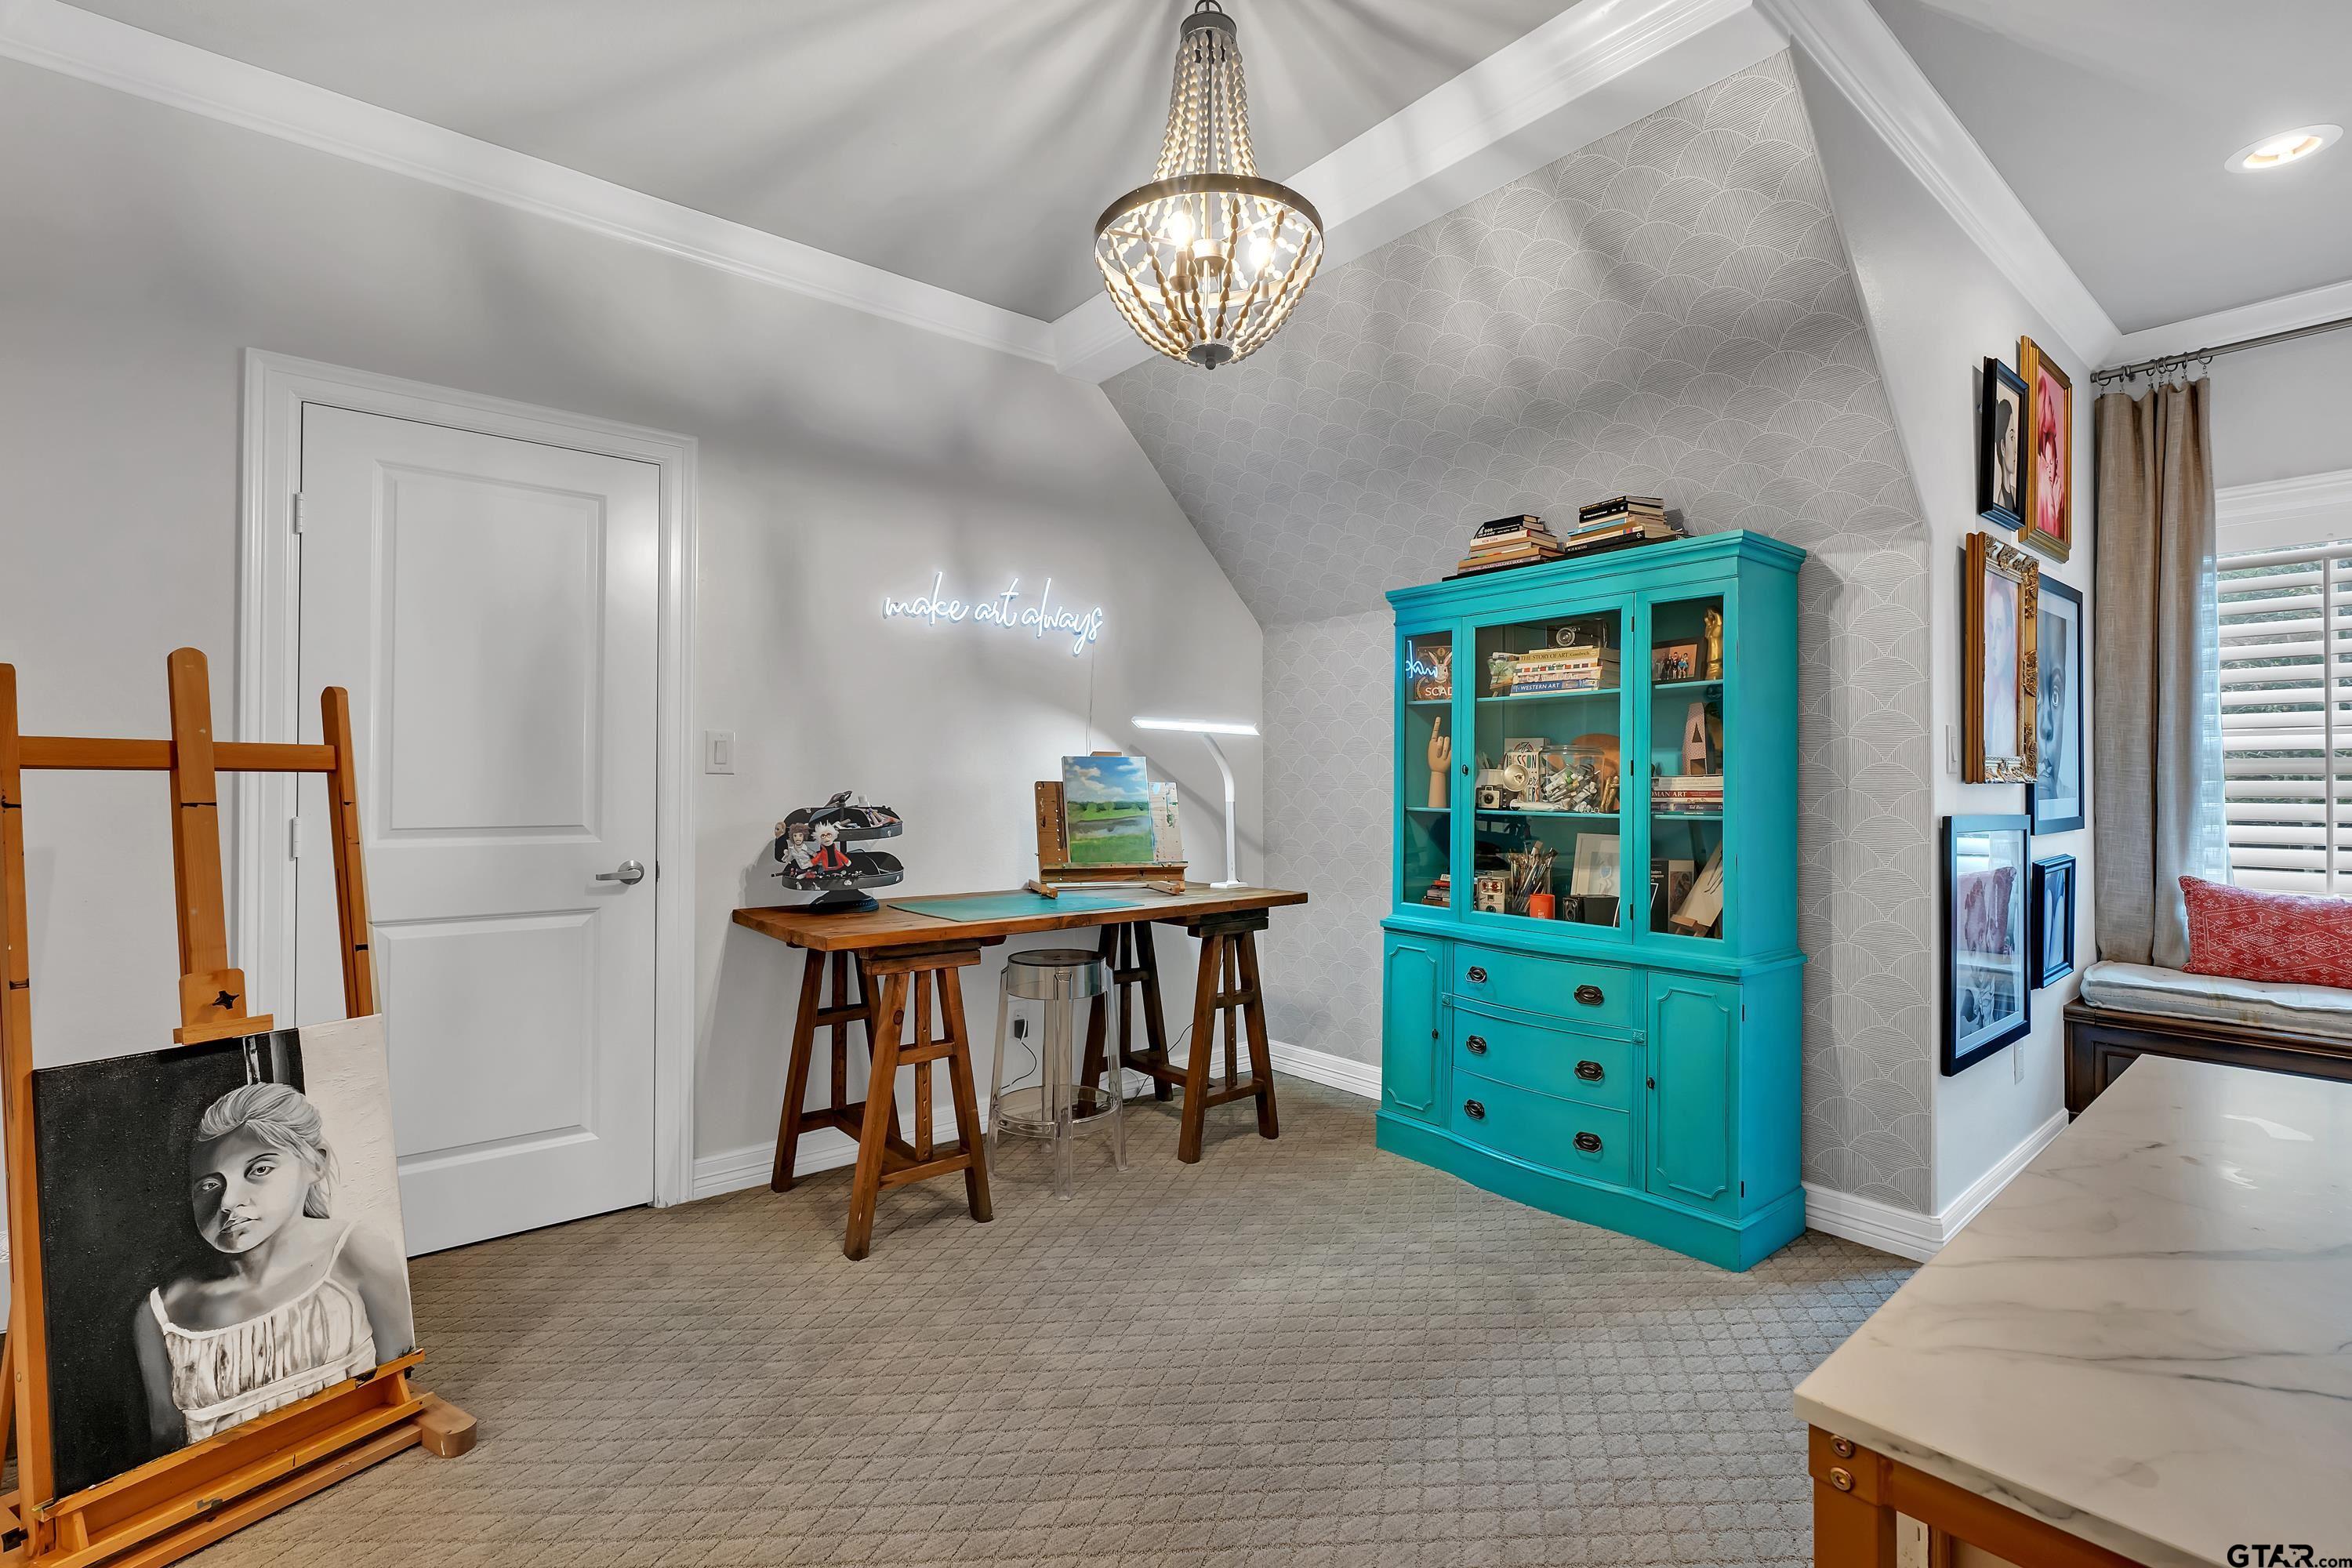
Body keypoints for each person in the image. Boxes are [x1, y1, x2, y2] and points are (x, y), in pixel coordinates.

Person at [132, 1082, 412, 1447]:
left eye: (259, 1169)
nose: (229, 1202)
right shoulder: (162, 1313)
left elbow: (401, 1376)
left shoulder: (356, 1250)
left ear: (316, 1162)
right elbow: (166, 1440)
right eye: (209, 1186)